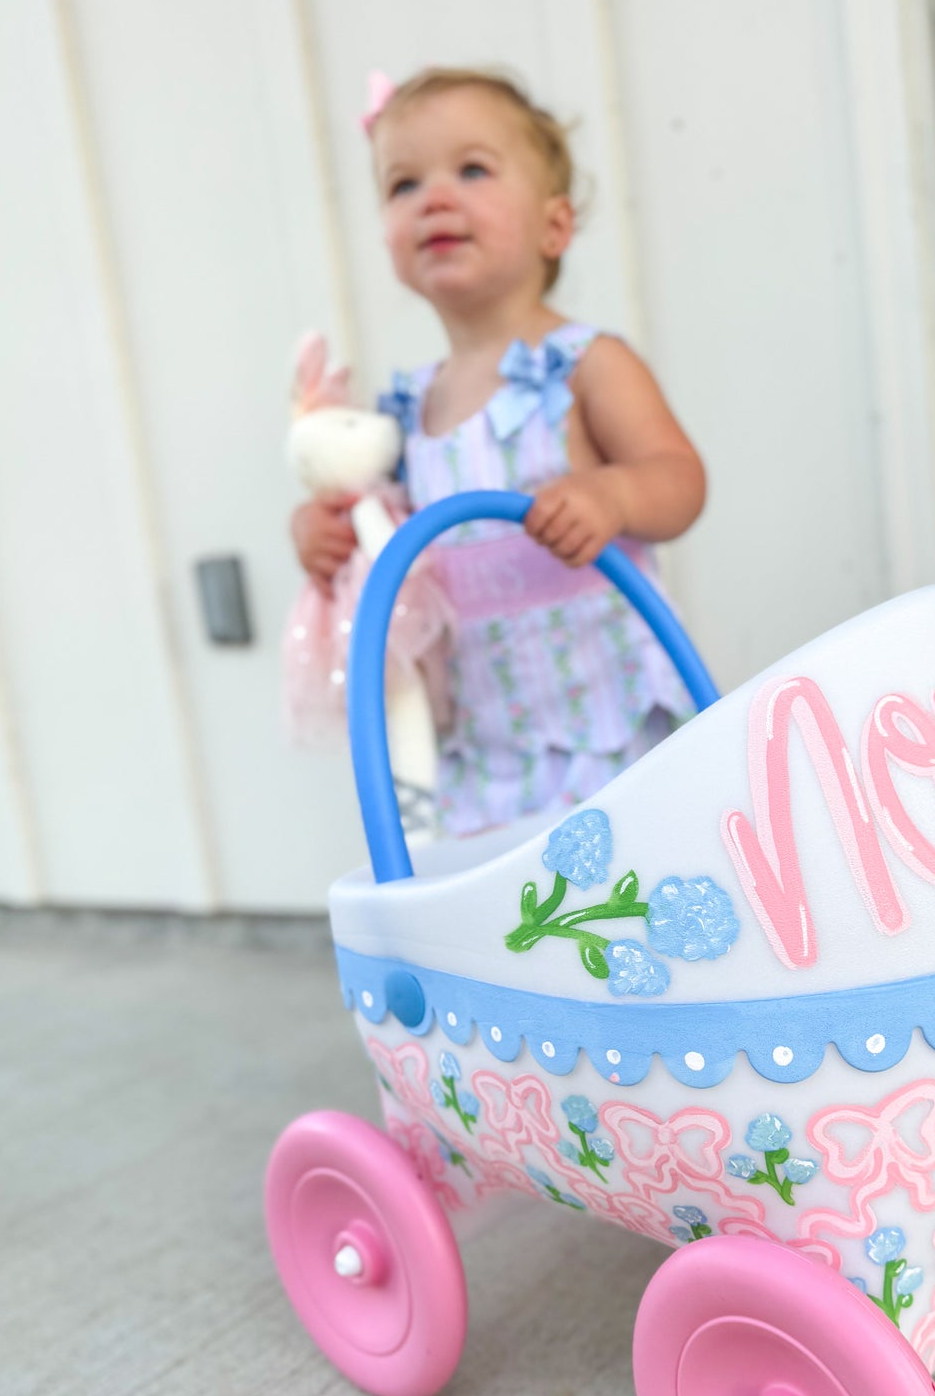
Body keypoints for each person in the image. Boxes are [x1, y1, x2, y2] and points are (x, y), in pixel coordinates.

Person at [291, 66, 706, 836]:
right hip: (485, 747)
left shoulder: (583, 363)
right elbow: (383, 539)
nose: (434, 198)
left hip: (606, 723)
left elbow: (679, 480)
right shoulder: (408, 410)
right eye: (403, 184)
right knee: (524, 928)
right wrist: (323, 538)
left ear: (553, 226)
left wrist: (613, 495)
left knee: (633, 909)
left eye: (472, 169)